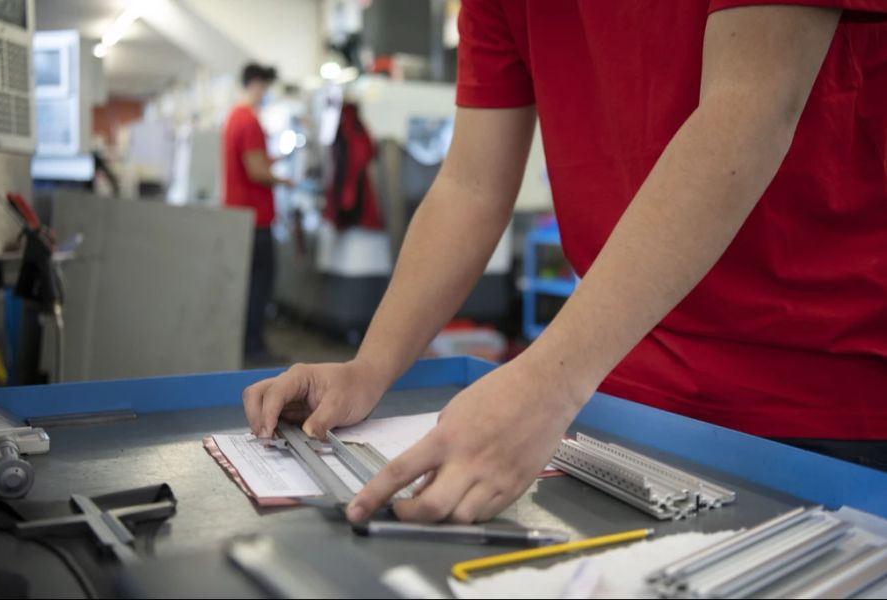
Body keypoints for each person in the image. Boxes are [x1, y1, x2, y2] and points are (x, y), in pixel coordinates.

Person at [243, 1, 887, 524]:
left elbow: (750, 108)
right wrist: (369, 368)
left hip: (820, 403)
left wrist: (546, 382)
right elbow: (471, 185)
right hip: (623, 392)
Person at [223, 63, 293, 363]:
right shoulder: (249, 121)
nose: (265, 94)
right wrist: (286, 180)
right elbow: (256, 171)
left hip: (240, 217)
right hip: (256, 220)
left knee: (249, 285)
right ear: (255, 84)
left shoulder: (233, 119)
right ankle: (254, 348)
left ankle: (250, 344)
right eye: (264, 87)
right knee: (259, 287)